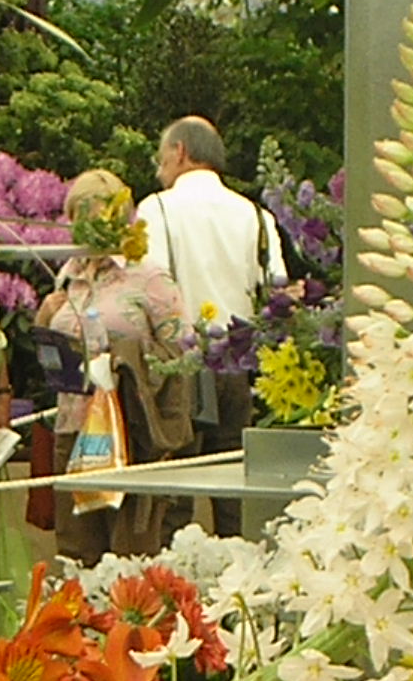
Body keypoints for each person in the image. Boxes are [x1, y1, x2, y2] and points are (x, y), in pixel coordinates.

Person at [133, 116, 286, 534]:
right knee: (235, 495)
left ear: (180, 151)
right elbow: (276, 289)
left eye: (161, 158)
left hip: (178, 367)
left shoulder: (156, 209)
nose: (159, 169)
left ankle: (174, 575)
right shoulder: (256, 215)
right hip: (238, 366)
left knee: (174, 497)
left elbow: (147, 288)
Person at [35, 170, 195, 564]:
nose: (90, 229)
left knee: (131, 551)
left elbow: (184, 353)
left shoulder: (148, 276)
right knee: (77, 551)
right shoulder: (67, 277)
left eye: (101, 217)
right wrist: (44, 319)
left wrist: (128, 360)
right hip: (74, 426)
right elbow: (48, 357)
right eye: (80, 217)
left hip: (132, 429)